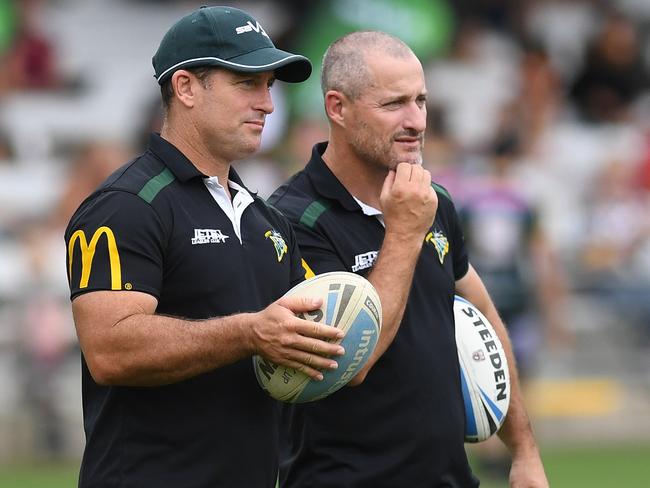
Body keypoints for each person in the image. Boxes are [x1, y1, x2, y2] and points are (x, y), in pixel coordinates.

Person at [64, 6, 345, 488]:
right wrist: (249, 333)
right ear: (186, 87)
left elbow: (315, 341)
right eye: (246, 83)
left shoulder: (269, 221)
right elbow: (110, 350)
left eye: (269, 86)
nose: (268, 104)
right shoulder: (125, 205)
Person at [269, 31, 549, 487]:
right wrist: (403, 232)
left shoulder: (431, 199)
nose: (416, 120)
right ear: (337, 108)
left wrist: (524, 451)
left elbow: (481, 310)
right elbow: (350, 364)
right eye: (394, 104)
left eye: (421, 101)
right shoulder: (292, 221)